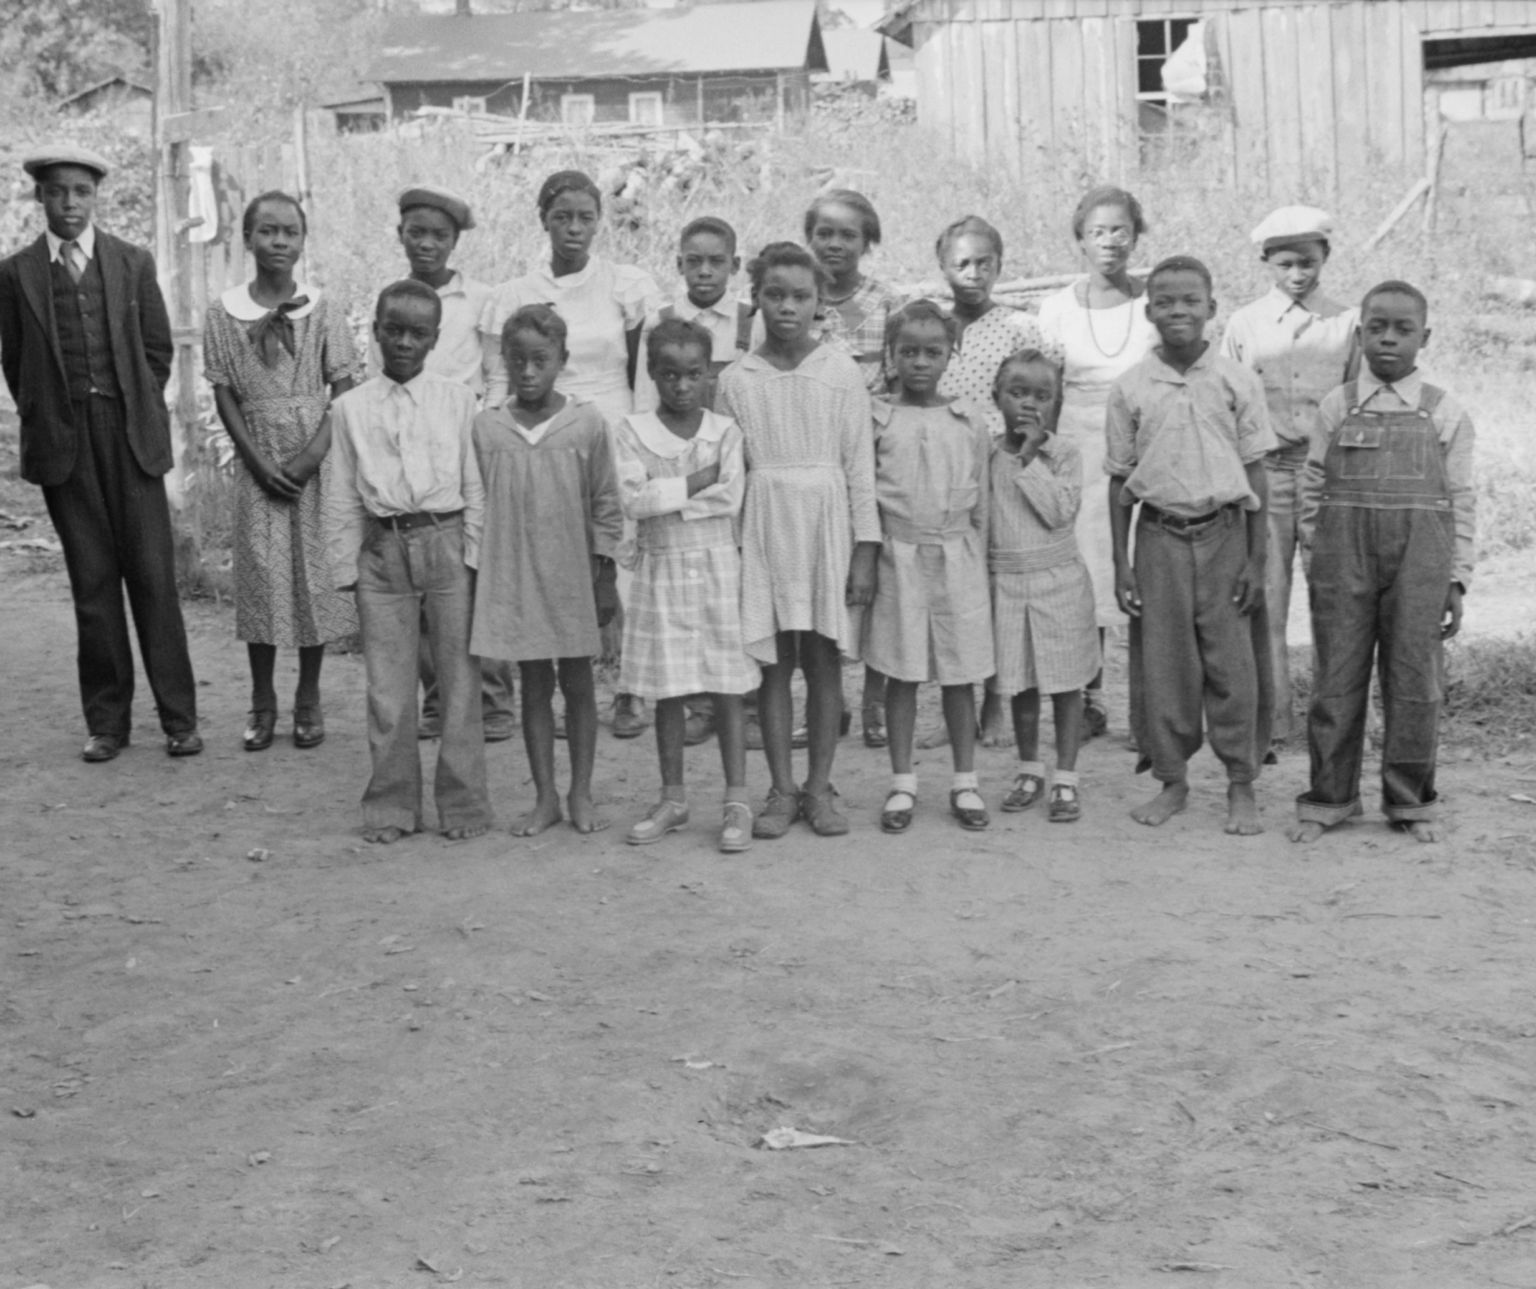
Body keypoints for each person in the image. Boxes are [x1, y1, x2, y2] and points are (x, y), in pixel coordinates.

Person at [0, 144, 201, 762]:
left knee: (151, 577)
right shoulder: (16, 274)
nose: (69, 204)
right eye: (57, 192)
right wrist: (51, 412)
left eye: (80, 193)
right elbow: (14, 360)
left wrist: (129, 401)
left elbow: (157, 351)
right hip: (65, 443)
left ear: (96, 198)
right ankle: (108, 724)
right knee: (92, 583)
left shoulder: (131, 263)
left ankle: (179, 719)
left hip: (130, 434)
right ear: (40, 197)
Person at [1288, 281, 1475, 846]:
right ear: (1360, 332)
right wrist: (1317, 557)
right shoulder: (1337, 405)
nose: (1389, 339)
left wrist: (1456, 578)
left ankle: (1409, 801)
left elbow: (1462, 497)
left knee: (1416, 683)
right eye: (1377, 327)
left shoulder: (1444, 411)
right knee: (1336, 681)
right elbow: (1313, 485)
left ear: (1425, 337)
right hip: (1343, 559)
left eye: (1403, 329)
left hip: (1421, 559)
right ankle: (1329, 799)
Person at [480, 170, 661, 740]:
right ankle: (547, 691)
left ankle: (630, 690)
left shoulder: (624, 285)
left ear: (600, 220)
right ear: (543, 219)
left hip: (612, 428)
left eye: (586, 217)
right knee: (548, 562)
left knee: (622, 563)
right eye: (563, 217)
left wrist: (645, 442)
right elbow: (495, 379)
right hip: (536, 435)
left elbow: (644, 369)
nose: (575, 228)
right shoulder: (512, 293)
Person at [1106, 256, 1274, 836]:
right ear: (1147, 311)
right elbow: (1119, 482)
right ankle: (1172, 781)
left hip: (1226, 535)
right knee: (1166, 667)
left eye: (1190, 301)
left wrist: (1257, 558)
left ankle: (1241, 784)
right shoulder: (1130, 387)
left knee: (1234, 667)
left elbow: (1256, 473)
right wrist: (1121, 563)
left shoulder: (1236, 380)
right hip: (1159, 539)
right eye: (1165, 301)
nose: (1178, 311)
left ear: (1211, 308)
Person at [718, 243, 879, 840]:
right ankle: (781, 788)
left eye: (802, 296)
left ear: (819, 302)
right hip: (764, 527)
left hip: (826, 526)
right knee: (775, 664)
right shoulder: (738, 380)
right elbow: (732, 475)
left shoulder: (839, 370)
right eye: (775, 294)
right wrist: (734, 551)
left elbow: (860, 464)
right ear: (756, 297)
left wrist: (866, 547)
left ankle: (819, 787)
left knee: (821, 658)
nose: (788, 307)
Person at [325, 280, 492, 844]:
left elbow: (476, 487)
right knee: (387, 691)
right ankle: (392, 806)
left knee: (460, 683)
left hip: (446, 544)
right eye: (392, 329)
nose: (403, 342)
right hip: (383, 550)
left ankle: (463, 806)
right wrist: (346, 569)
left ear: (435, 339)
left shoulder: (460, 401)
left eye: (417, 333)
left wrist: (474, 558)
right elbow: (343, 491)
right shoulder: (350, 409)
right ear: (374, 330)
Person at [204, 191, 359, 752]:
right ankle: (262, 700)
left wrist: (312, 456)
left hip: (314, 460)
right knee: (263, 580)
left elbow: (344, 389)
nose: (278, 242)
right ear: (247, 239)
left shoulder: (322, 310)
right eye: (267, 231)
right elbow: (223, 390)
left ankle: (309, 699)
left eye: (290, 232)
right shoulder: (222, 313)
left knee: (314, 579)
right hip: (258, 460)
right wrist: (255, 460)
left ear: (302, 241)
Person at [471, 305, 623, 837]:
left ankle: (581, 792)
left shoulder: (586, 423)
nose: (529, 371)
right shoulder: (487, 430)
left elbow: (607, 500)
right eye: (518, 360)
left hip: (573, 575)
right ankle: (545, 797)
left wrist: (604, 573)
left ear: (562, 360)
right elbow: (479, 508)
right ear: (504, 362)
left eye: (541, 360)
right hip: (516, 576)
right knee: (534, 683)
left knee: (578, 682)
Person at [374, 184, 515, 745]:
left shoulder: (481, 299)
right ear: (401, 235)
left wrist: (483, 426)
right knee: (425, 576)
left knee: (476, 570)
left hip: (468, 442)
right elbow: (378, 376)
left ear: (456, 241)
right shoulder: (390, 301)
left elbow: (497, 372)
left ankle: (495, 700)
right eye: (417, 233)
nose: (427, 244)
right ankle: (438, 699)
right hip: (411, 448)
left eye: (439, 235)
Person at [923, 213, 1065, 752]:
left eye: (985, 263)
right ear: (941, 266)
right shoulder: (930, 328)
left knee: (998, 589)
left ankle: (995, 703)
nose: (973, 273)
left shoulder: (1021, 328)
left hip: (1002, 472)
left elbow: (1049, 398)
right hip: (943, 475)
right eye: (961, 263)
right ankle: (950, 706)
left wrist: (1029, 452)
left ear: (1001, 266)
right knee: (951, 589)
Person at [616, 317, 758, 853]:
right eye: (669, 375)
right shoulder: (631, 431)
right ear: (651, 373)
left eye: (692, 374)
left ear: (709, 377)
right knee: (669, 690)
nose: (680, 386)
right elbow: (636, 500)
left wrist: (668, 490)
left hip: (719, 565)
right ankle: (673, 798)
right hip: (662, 569)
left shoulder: (725, 433)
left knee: (726, 683)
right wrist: (696, 481)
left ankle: (737, 799)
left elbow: (730, 498)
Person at [1221, 205, 1358, 756]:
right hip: (1267, 473)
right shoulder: (1244, 324)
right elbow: (1228, 402)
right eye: (1284, 263)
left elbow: (1356, 400)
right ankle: (1270, 726)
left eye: (1308, 261)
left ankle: (1337, 725)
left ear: (1325, 256)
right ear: (1265, 262)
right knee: (1267, 600)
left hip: (1325, 475)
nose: (1297, 274)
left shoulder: (1347, 322)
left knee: (1335, 600)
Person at [864, 301, 993, 834]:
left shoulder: (967, 420)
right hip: (899, 555)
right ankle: (902, 781)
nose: (920, 362)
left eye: (933, 352)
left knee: (959, 674)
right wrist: (868, 557)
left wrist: (982, 561)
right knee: (902, 671)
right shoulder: (876, 417)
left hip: (957, 556)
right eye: (909, 352)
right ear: (891, 355)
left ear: (951, 355)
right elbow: (864, 494)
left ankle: (965, 780)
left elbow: (982, 499)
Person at [1037, 186, 1159, 740]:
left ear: (1137, 235)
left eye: (1120, 230)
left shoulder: (1154, 302)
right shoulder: (1058, 308)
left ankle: (1147, 706)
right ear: (1079, 239)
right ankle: (1090, 696)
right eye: (1098, 231)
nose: (1110, 242)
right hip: (1080, 450)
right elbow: (1048, 391)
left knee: (1144, 568)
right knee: (1088, 572)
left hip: (1146, 446)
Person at [632, 214, 753, 750]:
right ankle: (699, 703)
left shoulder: (751, 320)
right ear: (677, 263)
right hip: (668, 458)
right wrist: (673, 484)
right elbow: (642, 402)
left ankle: (743, 700)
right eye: (693, 261)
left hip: (737, 456)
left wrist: (723, 476)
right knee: (684, 607)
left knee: (736, 592)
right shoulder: (661, 319)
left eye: (716, 262)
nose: (705, 272)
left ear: (735, 265)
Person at [803, 189, 904, 749]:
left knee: (875, 580)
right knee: (822, 576)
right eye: (825, 232)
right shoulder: (798, 298)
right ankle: (828, 701)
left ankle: (875, 699)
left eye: (848, 234)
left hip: (872, 454)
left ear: (868, 242)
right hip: (812, 454)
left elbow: (895, 382)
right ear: (809, 237)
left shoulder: (885, 303)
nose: (835, 243)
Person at [988, 349, 1100, 824]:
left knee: (1066, 683)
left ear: (1058, 401)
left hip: (1058, 580)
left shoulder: (1065, 454)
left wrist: (1033, 457)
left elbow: (1059, 513)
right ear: (997, 397)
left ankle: (1066, 776)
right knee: (1021, 683)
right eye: (1017, 393)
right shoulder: (987, 453)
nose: (1028, 405)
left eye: (1041, 395)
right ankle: (1030, 768)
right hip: (1008, 580)